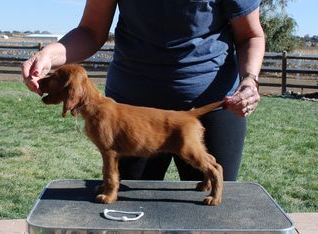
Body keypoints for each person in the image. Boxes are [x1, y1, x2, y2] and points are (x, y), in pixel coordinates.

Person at [22, 0, 265, 181]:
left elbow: (250, 35)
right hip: (130, 114)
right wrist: (48, 56)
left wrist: (250, 80)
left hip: (210, 107)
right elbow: (91, 31)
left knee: (212, 214)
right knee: (130, 216)